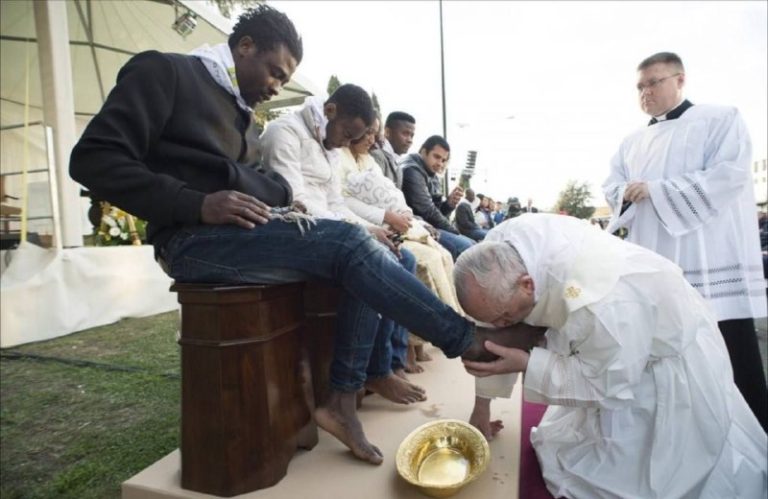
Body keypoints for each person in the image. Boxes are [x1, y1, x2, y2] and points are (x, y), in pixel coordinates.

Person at [68, 5, 523, 466]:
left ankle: (344, 397)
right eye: (275, 72)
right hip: (189, 240)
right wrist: (198, 203)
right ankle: (462, 340)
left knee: (364, 251)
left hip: (240, 232)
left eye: (284, 79)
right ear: (245, 47)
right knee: (349, 244)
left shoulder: (242, 113)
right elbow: (92, 160)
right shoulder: (165, 72)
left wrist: (277, 197)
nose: (276, 86)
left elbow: (261, 182)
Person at [455, 214, 767, 498]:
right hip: (609, 345)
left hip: (655, 360)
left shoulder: (602, 304)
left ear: (527, 285)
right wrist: (482, 405)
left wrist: (528, 363)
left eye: (505, 318)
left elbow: (607, 382)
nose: (501, 326)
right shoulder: (497, 251)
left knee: (642, 478)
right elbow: (492, 323)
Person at [602, 51, 768, 430]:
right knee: (665, 349)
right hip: (655, 256)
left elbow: (729, 175)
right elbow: (612, 185)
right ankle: (679, 431)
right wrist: (624, 192)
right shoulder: (632, 142)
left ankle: (755, 430)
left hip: (708, 256)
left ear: (680, 80)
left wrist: (658, 190)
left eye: (654, 82)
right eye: (640, 86)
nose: (645, 92)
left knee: (729, 348)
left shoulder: (720, 119)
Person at [257, 85, 425, 405]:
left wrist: (372, 229)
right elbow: (295, 203)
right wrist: (359, 233)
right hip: (297, 232)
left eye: (352, 139)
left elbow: (336, 204)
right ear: (330, 111)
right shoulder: (284, 133)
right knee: (371, 261)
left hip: (331, 230)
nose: (347, 144)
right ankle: (365, 375)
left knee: (401, 258)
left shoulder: (330, 145)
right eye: (347, 134)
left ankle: (381, 367)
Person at [337, 116, 462, 373]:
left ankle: (417, 345)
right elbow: (340, 202)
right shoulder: (340, 156)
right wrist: (386, 219)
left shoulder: (370, 159)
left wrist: (405, 216)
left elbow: (398, 199)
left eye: (374, 133)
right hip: (368, 227)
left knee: (441, 254)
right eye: (368, 132)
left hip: (396, 225)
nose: (372, 138)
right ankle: (401, 353)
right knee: (414, 259)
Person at [400, 135, 475, 260]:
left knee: (472, 245)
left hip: (428, 225)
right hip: (415, 226)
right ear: (423, 152)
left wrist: (449, 204)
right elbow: (428, 211)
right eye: (436, 157)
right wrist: (454, 231)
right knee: (468, 248)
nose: (440, 163)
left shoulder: (431, 173)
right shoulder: (412, 170)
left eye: (443, 160)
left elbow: (436, 211)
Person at [369, 111, 415, 188]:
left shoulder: (398, 164)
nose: (410, 140)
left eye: (412, 136)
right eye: (405, 133)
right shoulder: (377, 156)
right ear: (387, 132)